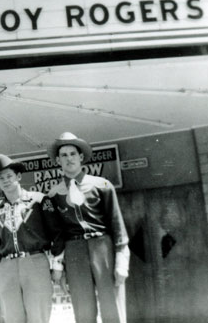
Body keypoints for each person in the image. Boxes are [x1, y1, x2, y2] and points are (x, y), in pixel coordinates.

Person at [48, 132, 130, 323]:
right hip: (74, 250)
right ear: (58, 160)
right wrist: (58, 265)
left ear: (81, 157)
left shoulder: (102, 185)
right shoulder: (54, 193)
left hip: (102, 246)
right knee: (83, 309)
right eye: (64, 155)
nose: (69, 159)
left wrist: (121, 261)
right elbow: (57, 232)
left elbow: (117, 225)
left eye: (72, 154)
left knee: (113, 305)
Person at [0, 154, 59, 323]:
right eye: (0, 178)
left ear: (18, 176)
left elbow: (56, 233)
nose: (5, 181)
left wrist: (57, 264)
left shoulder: (39, 200)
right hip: (6, 266)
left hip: (34, 261)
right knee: (12, 318)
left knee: (38, 316)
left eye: (9, 176)